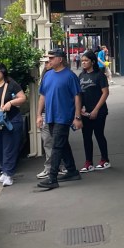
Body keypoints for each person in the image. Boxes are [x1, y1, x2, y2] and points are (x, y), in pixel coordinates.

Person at [35, 49, 82, 191]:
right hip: (50, 116)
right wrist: (38, 115)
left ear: (60, 59)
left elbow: (77, 96)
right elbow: (42, 96)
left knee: (56, 145)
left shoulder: (70, 76)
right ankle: (72, 171)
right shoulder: (48, 75)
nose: (49, 60)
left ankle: (52, 177)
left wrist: (77, 117)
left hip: (64, 116)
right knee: (62, 143)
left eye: (51, 57)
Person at [0, 63, 26, 187]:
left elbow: (22, 98)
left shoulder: (11, 84)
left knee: (9, 147)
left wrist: (11, 103)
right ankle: (4, 169)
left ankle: (8, 173)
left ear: (3, 72)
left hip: (11, 120)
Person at [78, 50, 110, 171]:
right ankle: (88, 162)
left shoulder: (99, 75)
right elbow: (79, 94)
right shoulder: (81, 76)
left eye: (86, 61)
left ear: (92, 61)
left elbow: (105, 93)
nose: (84, 63)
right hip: (85, 112)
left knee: (99, 134)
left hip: (99, 111)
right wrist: (79, 109)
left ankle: (105, 160)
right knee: (86, 137)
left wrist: (96, 110)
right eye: (82, 61)